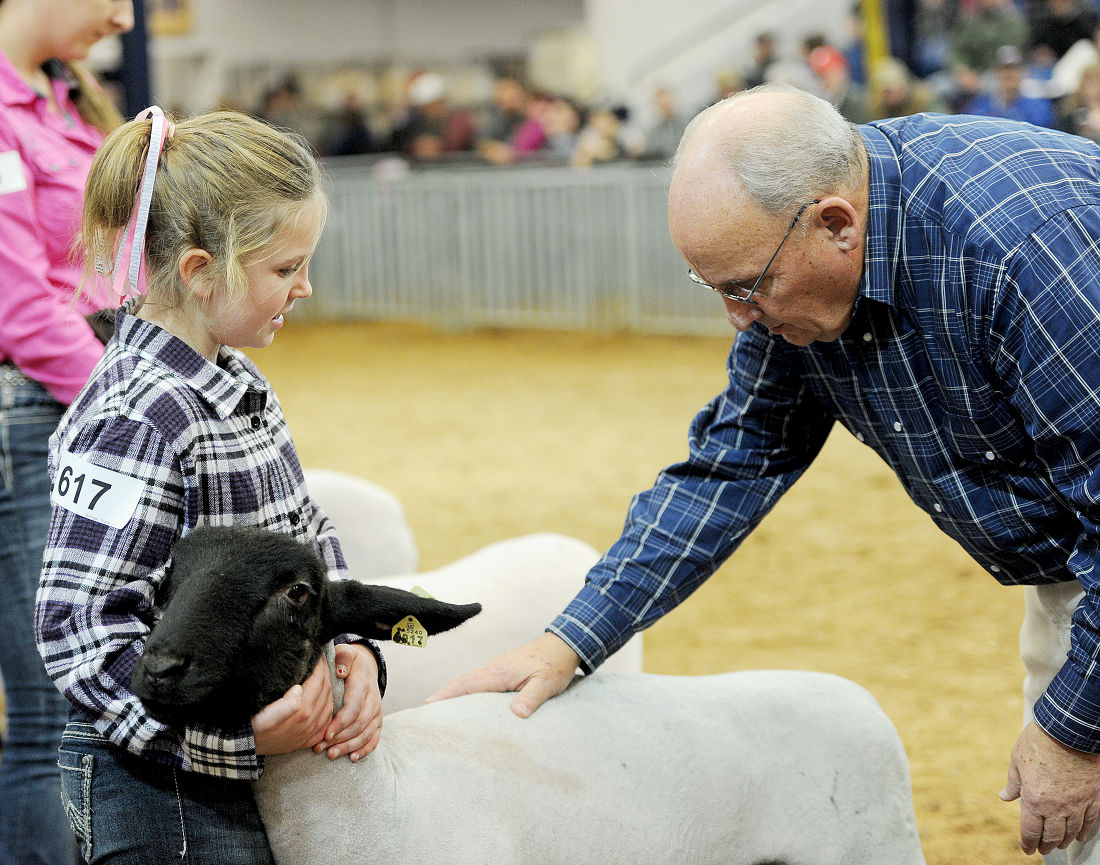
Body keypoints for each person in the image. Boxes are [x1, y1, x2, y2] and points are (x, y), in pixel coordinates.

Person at [431, 83, 1100, 861]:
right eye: (716, 288)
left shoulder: (1024, 249)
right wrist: (569, 640)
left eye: (747, 285)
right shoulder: (801, 273)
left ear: (837, 225)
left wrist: (1073, 730)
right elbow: (734, 460)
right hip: (1073, 578)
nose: (738, 317)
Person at [35, 108, 386, 864]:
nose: (305, 287)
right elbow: (79, 625)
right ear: (199, 272)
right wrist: (228, 739)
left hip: (246, 762)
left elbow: (303, 532)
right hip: (156, 790)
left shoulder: (239, 380)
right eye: (285, 269)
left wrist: (351, 643)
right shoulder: (134, 416)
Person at [0, 1, 133, 863]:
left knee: (78, 693)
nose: (122, 16)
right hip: (37, 411)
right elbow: (18, 305)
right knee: (51, 707)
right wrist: (126, 403)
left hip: (75, 398)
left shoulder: (66, 100)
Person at [964, 43, 1058, 126]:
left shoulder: (1038, 105)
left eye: (1014, 68)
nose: (1009, 73)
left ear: (1022, 72)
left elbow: (1043, 128)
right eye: (1004, 69)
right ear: (997, 72)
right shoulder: (982, 103)